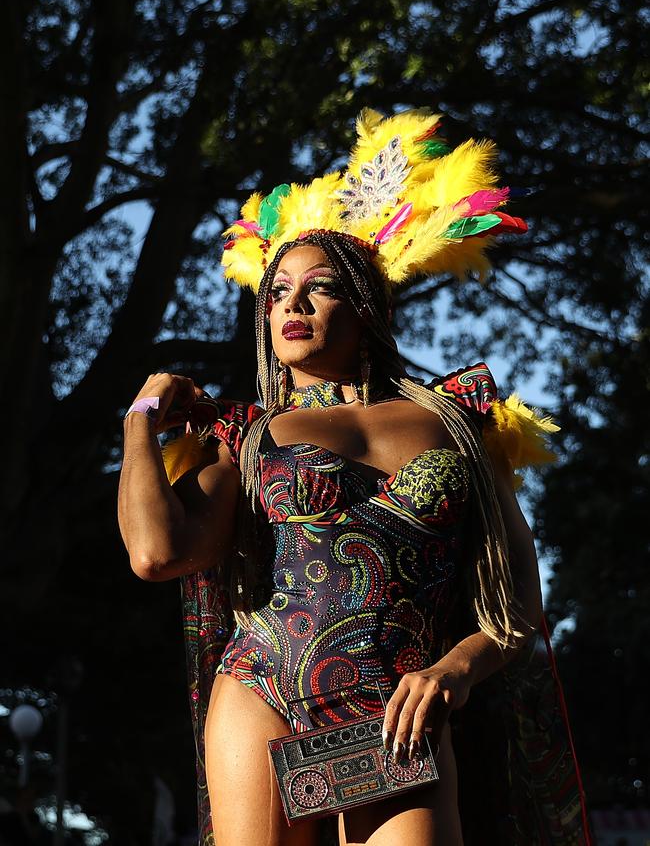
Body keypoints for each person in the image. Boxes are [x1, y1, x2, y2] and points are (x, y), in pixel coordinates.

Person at [118, 109, 591, 846]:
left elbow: (518, 602)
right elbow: (156, 553)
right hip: (263, 686)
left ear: (366, 307)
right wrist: (139, 420)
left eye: (321, 287)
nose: (292, 306)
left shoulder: (459, 419)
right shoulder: (248, 437)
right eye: (276, 292)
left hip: (401, 704)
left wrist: (456, 671)